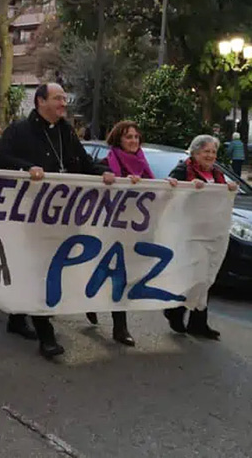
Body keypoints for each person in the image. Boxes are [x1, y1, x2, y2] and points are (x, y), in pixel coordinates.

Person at [0, 82, 115, 359]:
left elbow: (83, 164)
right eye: (58, 98)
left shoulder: (66, 133)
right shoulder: (19, 131)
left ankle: (16, 317)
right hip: (29, 217)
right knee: (40, 272)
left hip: (63, 217)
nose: (64, 103)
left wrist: (105, 173)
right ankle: (46, 335)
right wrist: (27, 169)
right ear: (40, 102)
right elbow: (1, 159)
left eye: (64, 98)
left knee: (47, 271)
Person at [85, 121, 178, 346]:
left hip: (135, 231)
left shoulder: (142, 164)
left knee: (123, 276)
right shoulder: (107, 162)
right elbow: (91, 177)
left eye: (136, 137)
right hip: (108, 228)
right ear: (118, 140)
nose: (134, 141)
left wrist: (168, 184)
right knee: (105, 271)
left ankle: (118, 325)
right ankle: (94, 306)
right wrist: (109, 176)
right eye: (128, 137)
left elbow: (154, 188)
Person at [164, 135, 238, 340]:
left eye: (213, 152)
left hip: (212, 234)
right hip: (190, 234)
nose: (210, 156)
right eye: (206, 151)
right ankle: (175, 310)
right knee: (195, 277)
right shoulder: (183, 170)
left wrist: (229, 189)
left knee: (206, 277)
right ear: (195, 153)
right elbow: (169, 192)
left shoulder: (217, 175)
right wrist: (186, 187)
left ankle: (198, 322)